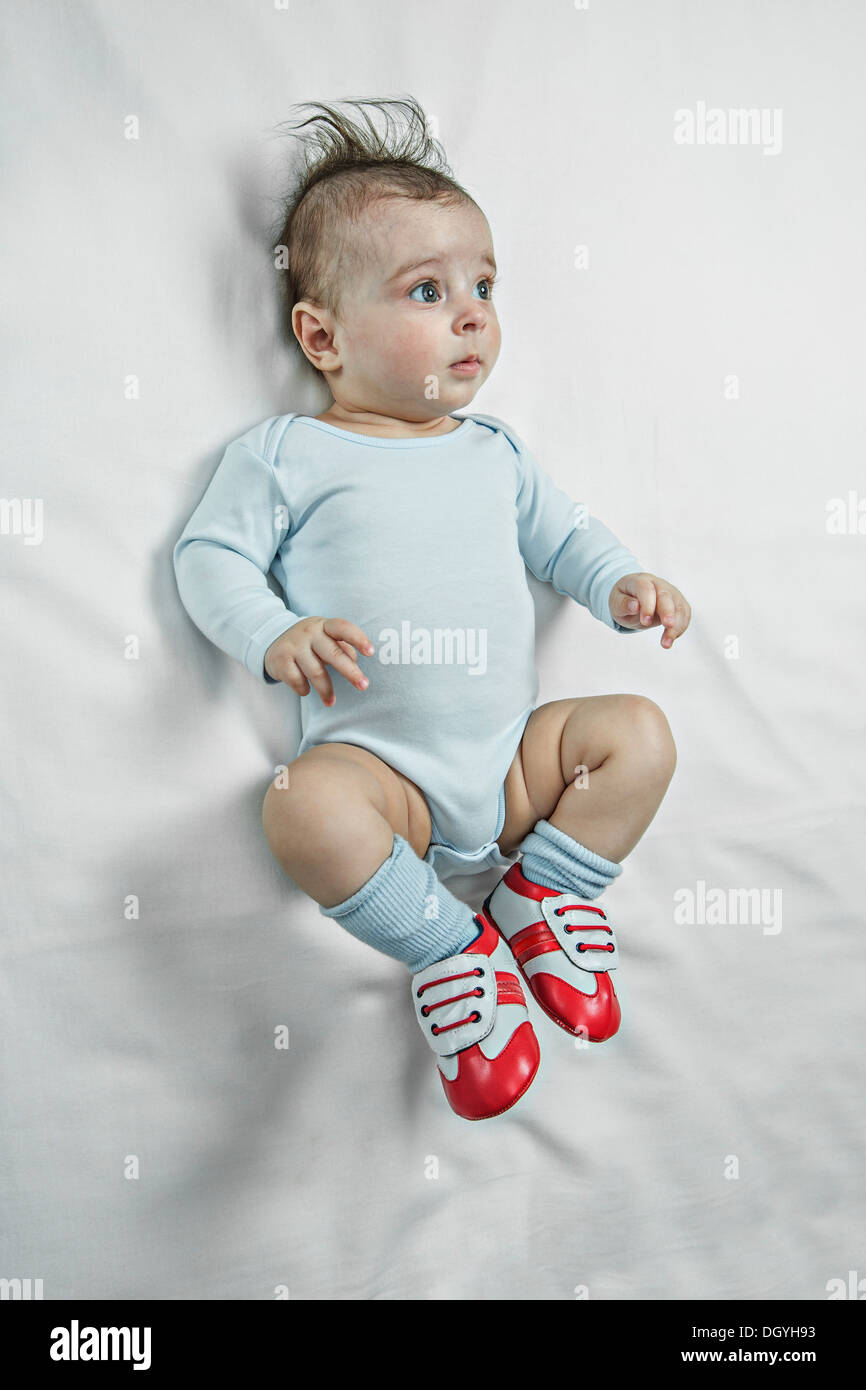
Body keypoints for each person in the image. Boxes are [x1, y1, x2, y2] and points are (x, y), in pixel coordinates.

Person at [173, 95, 690, 1122]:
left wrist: (619, 580)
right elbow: (209, 558)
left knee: (637, 733)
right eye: (426, 290)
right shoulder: (287, 454)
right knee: (299, 805)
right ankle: (452, 952)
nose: (471, 314)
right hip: (384, 779)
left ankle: (539, 893)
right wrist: (275, 632)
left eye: (483, 286)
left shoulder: (493, 452)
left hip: (511, 764)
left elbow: (564, 537)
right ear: (320, 335)